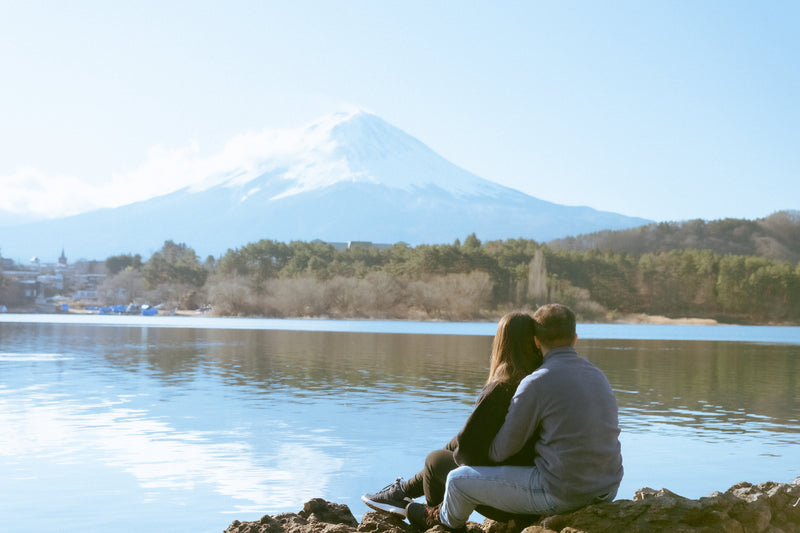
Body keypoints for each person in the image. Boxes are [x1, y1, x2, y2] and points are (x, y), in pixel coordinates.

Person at [405, 304, 623, 530]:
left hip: (563, 494)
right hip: (606, 489)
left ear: (537, 341)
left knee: (457, 480)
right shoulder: (598, 375)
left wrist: (478, 450)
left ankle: (441, 522)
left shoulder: (537, 382)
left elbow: (501, 450)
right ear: (575, 338)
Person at [361, 311, 543, 520]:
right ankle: (403, 491)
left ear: (501, 343)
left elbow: (467, 453)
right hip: (532, 486)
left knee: (435, 461)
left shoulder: (502, 388)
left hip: (508, 497)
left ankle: (433, 519)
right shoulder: (540, 382)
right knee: (454, 443)